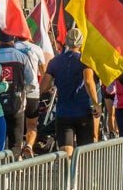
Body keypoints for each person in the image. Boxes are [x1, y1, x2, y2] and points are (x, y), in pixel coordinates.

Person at [39, 28, 101, 156]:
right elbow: (89, 82)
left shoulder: (54, 62)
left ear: (66, 41)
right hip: (83, 111)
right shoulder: (85, 60)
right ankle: (81, 175)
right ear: (81, 43)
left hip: (63, 113)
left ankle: (68, 175)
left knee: (66, 152)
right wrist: (96, 104)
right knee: (84, 152)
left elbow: (43, 87)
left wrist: (53, 83)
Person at [0, 31, 38, 154]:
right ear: (13, 39)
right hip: (17, 103)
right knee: (16, 141)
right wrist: (24, 90)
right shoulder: (21, 57)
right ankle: (14, 169)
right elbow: (32, 81)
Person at [14, 36, 47, 151]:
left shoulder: (12, 48)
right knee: (32, 124)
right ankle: (29, 145)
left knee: (16, 124)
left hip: (16, 91)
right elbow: (44, 72)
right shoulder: (37, 49)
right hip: (33, 91)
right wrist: (44, 89)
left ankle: (17, 149)